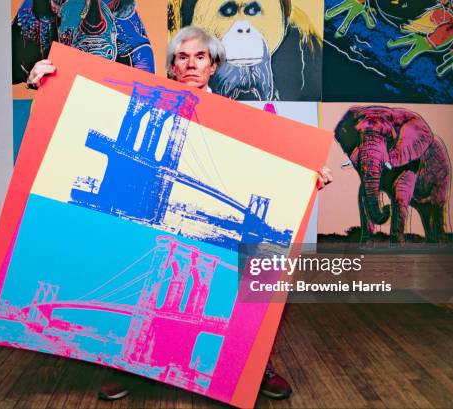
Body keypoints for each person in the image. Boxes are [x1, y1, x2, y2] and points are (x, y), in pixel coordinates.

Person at [27, 25, 332, 402]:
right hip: (155, 211)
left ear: (214, 66)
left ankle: (254, 363)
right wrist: (45, 82)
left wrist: (308, 176)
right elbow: (83, 107)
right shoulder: (145, 103)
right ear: (171, 67)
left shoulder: (242, 118)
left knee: (266, 269)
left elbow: (272, 168)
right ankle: (122, 360)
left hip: (204, 213)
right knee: (118, 250)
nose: (191, 64)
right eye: (182, 57)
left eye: (200, 57)